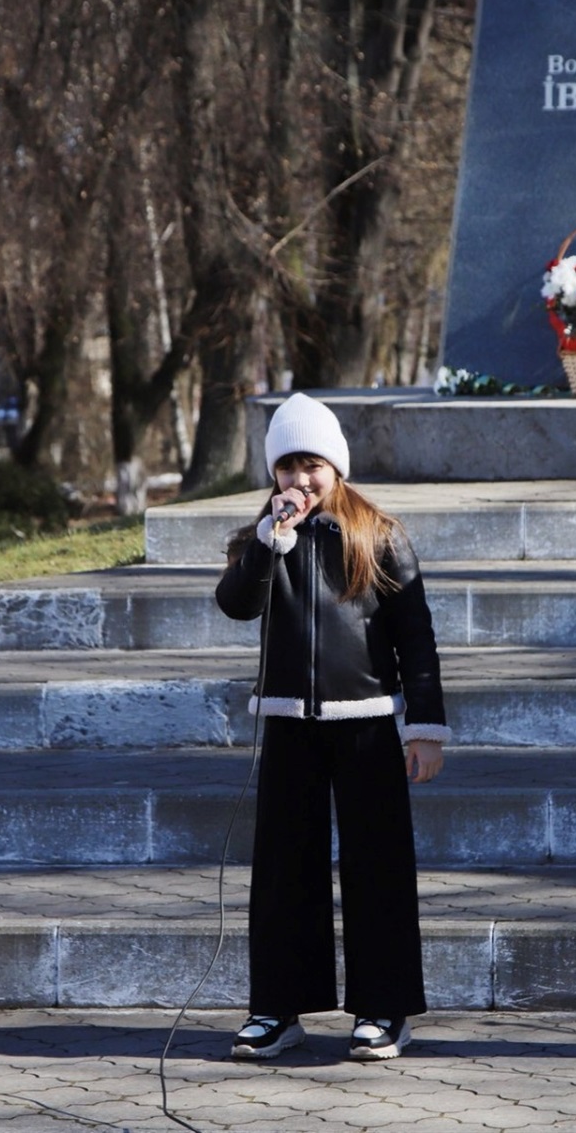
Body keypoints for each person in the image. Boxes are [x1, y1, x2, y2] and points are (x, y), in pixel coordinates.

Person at [214, 393, 450, 1062]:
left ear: (335, 468)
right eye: (286, 468)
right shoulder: (265, 538)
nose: (298, 481)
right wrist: (265, 547)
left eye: (311, 465)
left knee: (378, 866)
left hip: (368, 721)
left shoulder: (379, 533)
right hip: (289, 721)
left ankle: (383, 1005)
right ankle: (277, 1006)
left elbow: (416, 635)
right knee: (285, 868)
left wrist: (424, 723)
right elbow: (234, 604)